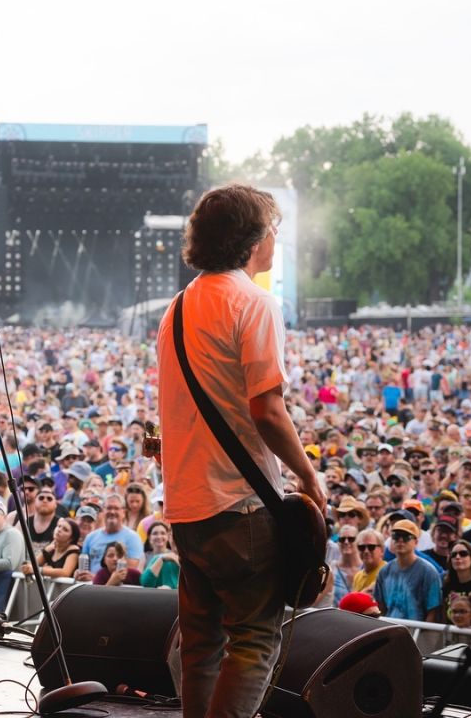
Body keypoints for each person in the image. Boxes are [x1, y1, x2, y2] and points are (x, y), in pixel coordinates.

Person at [157, 184, 326, 718]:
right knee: (253, 641)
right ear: (253, 238)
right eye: (274, 228)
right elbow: (267, 410)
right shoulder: (254, 303)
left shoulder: (178, 307)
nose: (277, 239)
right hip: (239, 505)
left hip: (185, 504)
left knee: (201, 644)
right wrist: (308, 476)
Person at [373, 519, 442, 621]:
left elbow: (433, 610)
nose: (400, 540)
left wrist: (422, 635)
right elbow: (381, 606)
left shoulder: (428, 572)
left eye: (406, 537)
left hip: (416, 632)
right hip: (389, 629)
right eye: (396, 536)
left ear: (416, 542)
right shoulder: (384, 571)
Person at [141, 521, 181, 589]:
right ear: (149, 537)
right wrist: (162, 558)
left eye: (163, 533)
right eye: (155, 533)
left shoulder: (176, 557)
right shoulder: (146, 556)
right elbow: (145, 582)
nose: (159, 537)